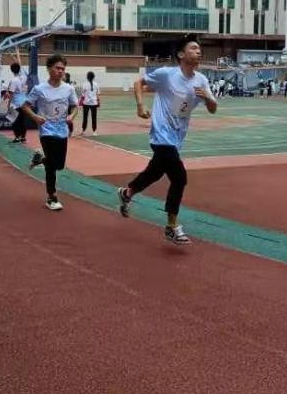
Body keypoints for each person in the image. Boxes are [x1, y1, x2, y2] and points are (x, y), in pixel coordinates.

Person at [118, 37, 218, 246]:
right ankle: (172, 226)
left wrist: (208, 98)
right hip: (161, 135)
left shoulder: (201, 80)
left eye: (199, 49)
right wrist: (140, 105)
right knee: (180, 178)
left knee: (154, 172)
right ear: (181, 54)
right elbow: (139, 83)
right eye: (193, 48)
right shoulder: (166, 75)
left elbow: (213, 109)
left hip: (177, 137)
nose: (198, 51)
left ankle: (127, 193)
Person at [22, 55, 79, 212]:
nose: (60, 71)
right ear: (49, 69)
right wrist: (35, 117)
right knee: (52, 166)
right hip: (46, 130)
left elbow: (75, 106)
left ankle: (40, 158)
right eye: (57, 68)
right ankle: (51, 197)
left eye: (63, 69)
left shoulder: (69, 89)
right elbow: (25, 106)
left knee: (59, 165)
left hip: (62, 130)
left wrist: (71, 116)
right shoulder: (39, 89)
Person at [8, 59, 29, 144]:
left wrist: (8, 105)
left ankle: (17, 137)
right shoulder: (24, 78)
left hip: (15, 104)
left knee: (13, 120)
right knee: (22, 121)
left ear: (11, 70)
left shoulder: (13, 81)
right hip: (24, 103)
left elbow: (11, 94)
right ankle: (23, 138)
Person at [80, 71, 101, 136]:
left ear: (87, 77)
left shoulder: (84, 84)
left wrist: (80, 102)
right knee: (94, 118)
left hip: (86, 103)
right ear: (93, 77)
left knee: (85, 117)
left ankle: (83, 131)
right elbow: (97, 94)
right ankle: (94, 131)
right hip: (94, 103)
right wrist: (98, 101)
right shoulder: (96, 84)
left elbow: (82, 94)